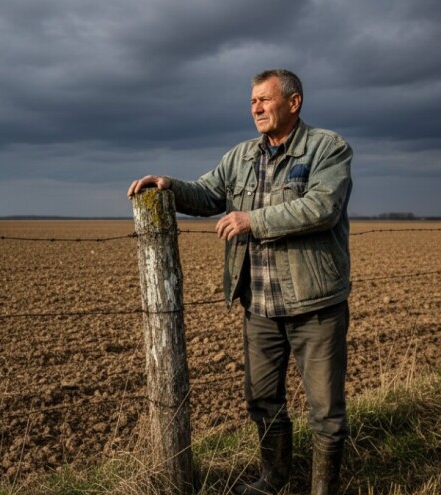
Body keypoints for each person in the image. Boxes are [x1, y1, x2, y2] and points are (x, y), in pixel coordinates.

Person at [127, 68, 352, 495]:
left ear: (294, 102)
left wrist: (253, 220)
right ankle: (274, 478)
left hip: (315, 305)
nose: (256, 108)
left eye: (265, 99)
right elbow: (208, 193)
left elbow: (322, 207)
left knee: (326, 410)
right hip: (260, 306)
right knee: (262, 399)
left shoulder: (328, 148)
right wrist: (169, 186)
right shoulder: (241, 157)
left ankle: (324, 488)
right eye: (252, 101)